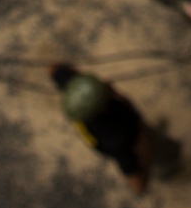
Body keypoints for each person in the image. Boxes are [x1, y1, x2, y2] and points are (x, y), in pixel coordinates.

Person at [50, 64, 182, 193]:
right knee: (167, 153)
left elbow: (54, 69)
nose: (105, 85)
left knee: (152, 135)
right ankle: (170, 169)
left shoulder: (77, 93)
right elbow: (137, 186)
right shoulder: (118, 139)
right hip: (137, 141)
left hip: (133, 128)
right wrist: (145, 160)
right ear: (101, 108)